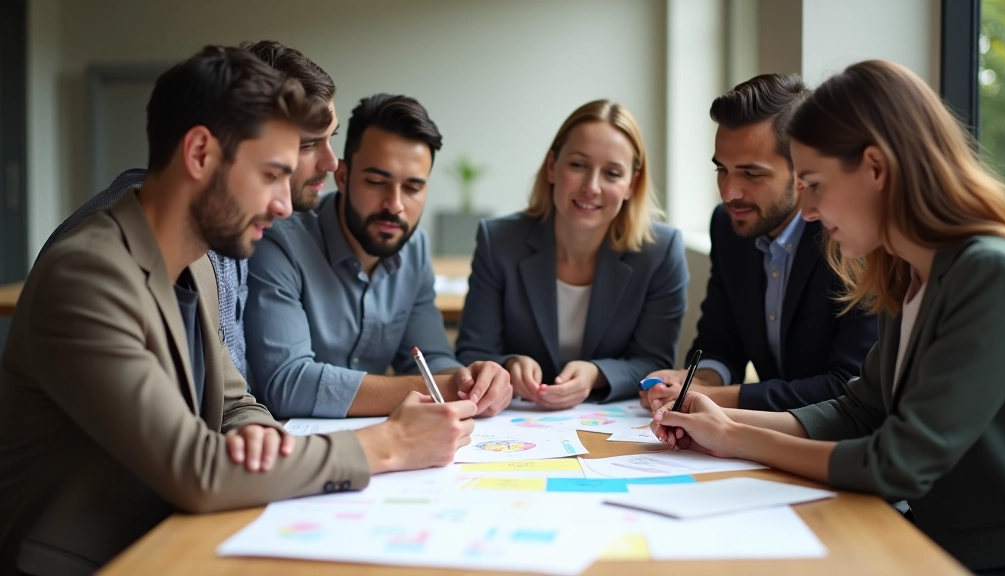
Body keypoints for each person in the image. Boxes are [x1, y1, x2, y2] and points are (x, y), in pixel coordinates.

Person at [0, 46, 477, 575]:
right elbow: (197, 469)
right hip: (100, 558)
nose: (281, 203)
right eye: (271, 174)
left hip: (179, 531)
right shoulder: (87, 276)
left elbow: (234, 403)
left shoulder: (198, 261)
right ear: (201, 154)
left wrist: (261, 435)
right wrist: (389, 444)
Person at [651, 60, 1005, 574]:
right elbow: (857, 413)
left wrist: (737, 437)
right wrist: (718, 421)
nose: (805, 211)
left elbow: (897, 463)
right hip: (923, 537)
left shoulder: (990, 273)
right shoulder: (905, 272)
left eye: (815, 184)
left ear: (875, 168)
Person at [39, 40, 342, 382]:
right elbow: (173, 433)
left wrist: (259, 432)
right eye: (309, 144)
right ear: (200, 153)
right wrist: (386, 437)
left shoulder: (223, 230)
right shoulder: (98, 268)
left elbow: (228, 397)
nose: (332, 163)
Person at [244, 94, 513, 419]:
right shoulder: (279, 240)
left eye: (413, 188)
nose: (395, 205)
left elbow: (431, 357)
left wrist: (474, 381)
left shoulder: (414, 248)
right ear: (342, 177)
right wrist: (441, 387)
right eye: (376, 182)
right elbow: (287, 384)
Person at [642, 74, 876, 412]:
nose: (728, 193)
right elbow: (720, 345)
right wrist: (694, 382)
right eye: (721, 169)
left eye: (752, 174)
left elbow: (849, 386)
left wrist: (713, 399)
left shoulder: (850, 239)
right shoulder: (727, 226)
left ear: (802, 171)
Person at [456, 100, 688, 409]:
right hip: (513, 420)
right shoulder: (498, 241)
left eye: (612, 173)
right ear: (552, 167)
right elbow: (472, 352)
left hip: (612, 423)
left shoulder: (661, 251)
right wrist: (508, 364)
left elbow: (654, 361)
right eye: (578, 165)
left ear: (631, 184)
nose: (591, 187)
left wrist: (597, 374)